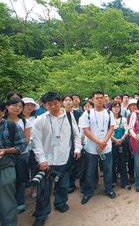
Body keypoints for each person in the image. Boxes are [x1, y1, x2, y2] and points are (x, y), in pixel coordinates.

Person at [31, 92, 81, 226]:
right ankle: (41, 214)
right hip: (47, 160)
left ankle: (60, 202)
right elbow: (36, 142)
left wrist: (77, 149)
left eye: (55, 103)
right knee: (44, 189)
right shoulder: (40, 120)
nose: (54, 106)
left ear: (60, 102)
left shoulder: (68, 116)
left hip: (64, 157)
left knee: (63, 184)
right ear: (44, 105)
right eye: (49, 104)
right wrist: (41, 159)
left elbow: (76, 134)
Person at [80, 91, 116, 204]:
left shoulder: (109, 113)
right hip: (91, 148)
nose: (99, 100)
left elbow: (111, 128)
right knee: (90, 171)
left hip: (106, 147)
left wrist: (103, 142)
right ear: (92, 100)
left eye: (101, 98)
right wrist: (98, 142)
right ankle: (89, 192)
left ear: (104, 100)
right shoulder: (87, 114)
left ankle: (109, 190)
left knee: (107, 170)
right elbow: (86, 130)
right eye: (97, 98)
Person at [0, 99, 27, 226]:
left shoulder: (10, 126)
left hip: (6, 164)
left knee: (6, 197)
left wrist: (4, 151)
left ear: (3, 111)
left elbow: (21, 144)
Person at [4, 98, 31, 214]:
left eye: (20, 107)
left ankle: (19, 202)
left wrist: (10, 150)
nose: (17, 108)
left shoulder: (24, 121)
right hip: (5, 157)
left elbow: (26, 139)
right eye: (14, 106)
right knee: (6, 181)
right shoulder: (2, 120)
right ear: (7, 107)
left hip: (21, 154)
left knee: (20, 179)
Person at [62, 94, 82, 193]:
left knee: (73, 164)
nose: (68, 102)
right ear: (62, 102)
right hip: (62, 142)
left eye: (70, 100)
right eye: (66, 100)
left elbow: (79, 128)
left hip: (74, 140)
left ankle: (71, 184)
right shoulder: (60, 113)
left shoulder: (77, 113)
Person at [109, 101, 131, 190]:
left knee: (122, 163)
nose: (116, 109)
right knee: (113, 162)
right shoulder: (108, 119)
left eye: (118, 107)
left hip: (122, 143)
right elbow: (108, 132)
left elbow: (127, 130)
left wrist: (121, 139)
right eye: (114, 107)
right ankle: (113, 181)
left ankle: (125, 182)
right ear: (111, 108)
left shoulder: (124, 119)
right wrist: (114, 139)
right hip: (111, 143)